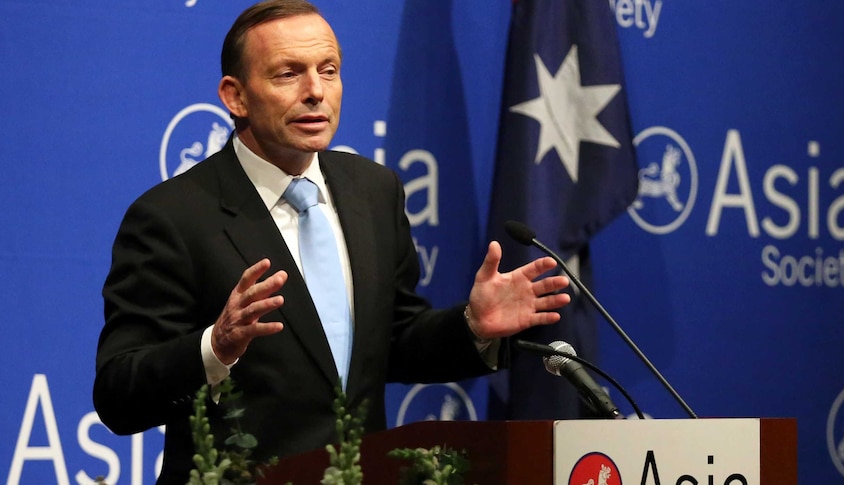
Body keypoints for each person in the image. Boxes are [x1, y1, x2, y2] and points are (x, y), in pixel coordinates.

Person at [93, 0, 571, 482]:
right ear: (235, 96)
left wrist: (473, 326)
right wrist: (213, 348)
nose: (316, 92)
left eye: (329, 70)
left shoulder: (374, 190)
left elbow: (392, 342)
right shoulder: (172, 216)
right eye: (287, 74)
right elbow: (118, 395)